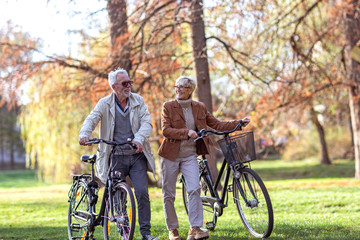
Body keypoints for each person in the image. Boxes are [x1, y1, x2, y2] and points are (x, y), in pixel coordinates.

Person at [158, 76, 250, 240]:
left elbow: (217, 124)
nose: (178, 89)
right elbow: (165, 130)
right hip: (170, 156)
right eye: (176, 86)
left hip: (189, 155)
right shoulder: (168, 106)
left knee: (194, 189)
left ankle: (195, 229)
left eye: (182, 87)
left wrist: (239, 123)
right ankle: (173, 230)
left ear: (190, 90)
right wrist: (186, 132)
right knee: (169, 194)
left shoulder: (199, 107)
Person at [79, 68, 160, 240]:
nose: (129, 86)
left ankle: (146, 233)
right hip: (115, 155)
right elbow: (91, 119)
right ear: (114, 86)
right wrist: (84, 133)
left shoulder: (138, 100)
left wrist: (138, 139)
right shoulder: (105, 103)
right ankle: (124, 231)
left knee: (142, 192)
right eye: (125, 83)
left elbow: (147, 123)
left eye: (130, 82)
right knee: (118, 194)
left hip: (136, 154)